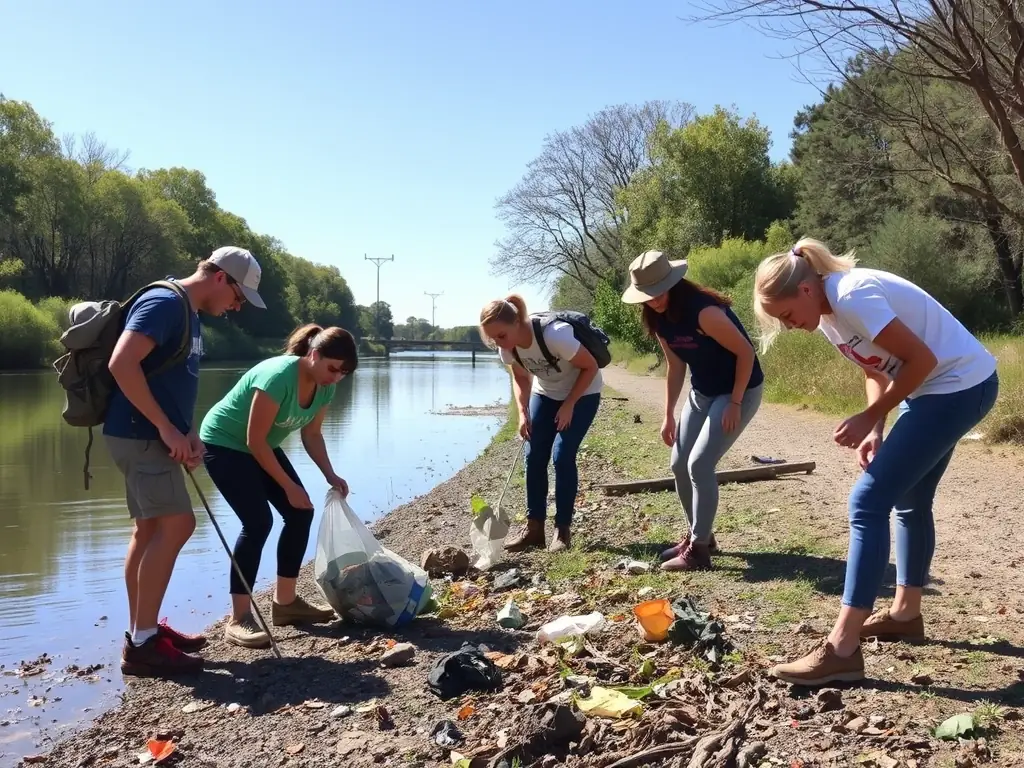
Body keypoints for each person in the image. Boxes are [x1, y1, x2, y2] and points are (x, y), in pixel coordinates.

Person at [752, 237, 998, 686]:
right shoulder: (827, 314)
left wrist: (867, 415)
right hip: (932, 389)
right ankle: (905, 615)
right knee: (907, 499)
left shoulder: (852, 294)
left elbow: (921, 359)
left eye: (786, 315)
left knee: (867, 502)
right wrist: (877, 428)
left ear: (805, 290)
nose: (787, 326)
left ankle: (842, 648)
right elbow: (874, 368)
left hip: (959, 385)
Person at [105, 245, 265, 677]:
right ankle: (142, 644)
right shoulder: (165, 303)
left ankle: (144, 630)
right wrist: (165, 428)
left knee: (150, 529)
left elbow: (167, 378)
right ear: (220, 278)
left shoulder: (187, 311)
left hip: (145, 434)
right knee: (178, 523)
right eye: (237, 297)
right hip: (139, 435)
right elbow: (121, 363)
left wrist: (185, 430)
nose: (236, 307)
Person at [199, 324, 357, 649]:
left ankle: (285, 605)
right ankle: (238, 619)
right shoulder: (278, 377)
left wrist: (331, 475)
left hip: (260, 446)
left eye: (342, 373)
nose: (335, 377)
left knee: (301, 514)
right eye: (332, 368)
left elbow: (311, 435)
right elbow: (253, 440)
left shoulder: (325, 387)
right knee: (257, 524)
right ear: (314, 354)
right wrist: (287, 485)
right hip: (224, 444)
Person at [621, 250, 764, 571]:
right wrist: (668, 414)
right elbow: (675, 366)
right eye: (647, 295)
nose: (653, 300)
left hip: (739, 389)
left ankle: (698, 552)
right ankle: (703, 536)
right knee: (679, 463)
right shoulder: (657, 318)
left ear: (672, 282)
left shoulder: (705, 312)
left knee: (700, 464)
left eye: (658, 291)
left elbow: (746, 354)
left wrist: (736, 403)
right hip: (703, 392)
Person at [479, 296, 603, 553]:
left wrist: (569, 404)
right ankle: (534, 529)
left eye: (501, 336)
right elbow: (521, 378)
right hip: (545, 394)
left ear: (516, 322)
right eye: (493, 340)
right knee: (534, 455)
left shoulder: (555, 335)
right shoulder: (507, 347)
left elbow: (590, 367)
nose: (499, 344)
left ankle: (562, 531)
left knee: (562, 455)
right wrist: (523, 412)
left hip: (583, 392)